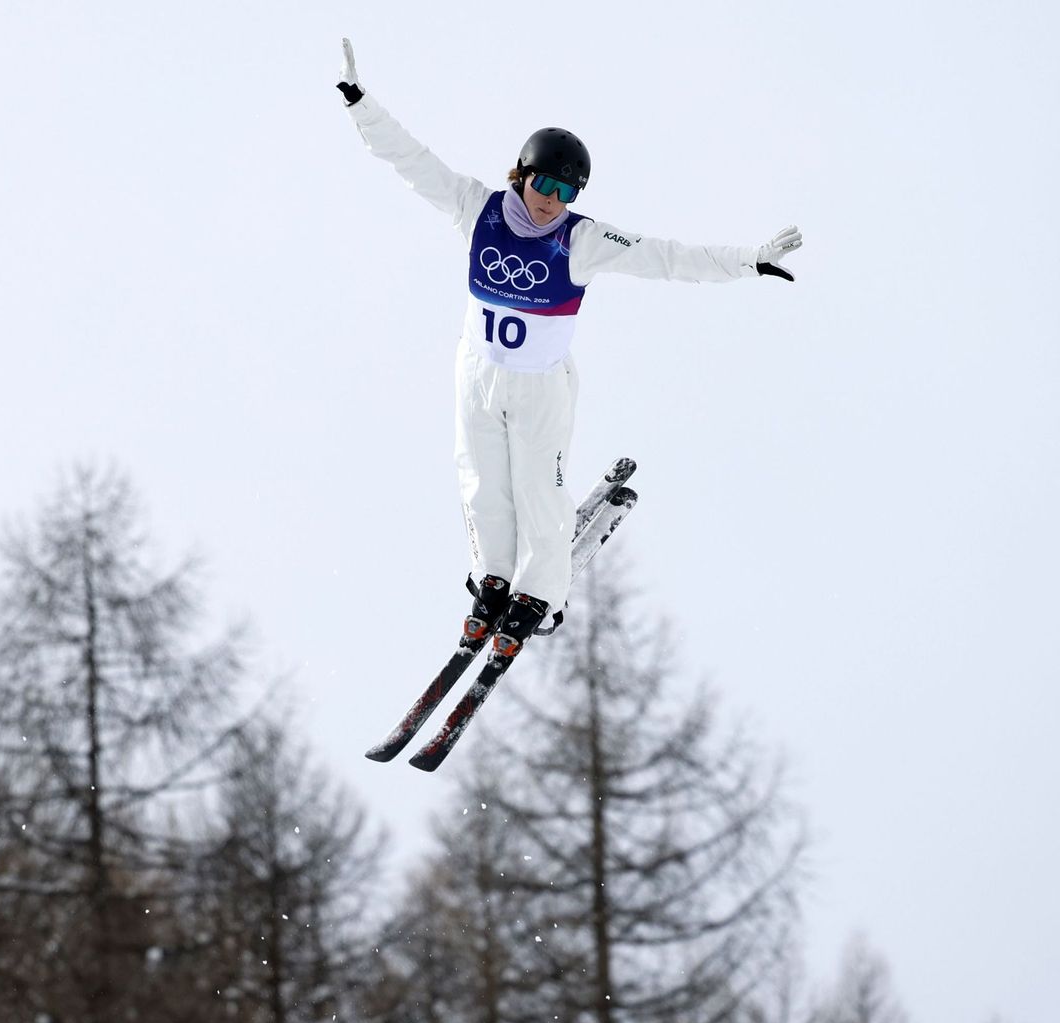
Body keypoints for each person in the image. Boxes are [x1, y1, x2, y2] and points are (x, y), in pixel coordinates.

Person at [335, 38, 802, 654]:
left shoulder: (581, 241)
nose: (553, 199)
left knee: (536, 487)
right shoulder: (477, 210)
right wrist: (361, 105)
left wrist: (749, 261)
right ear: (522, 174)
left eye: (567, 190)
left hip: (539, 385)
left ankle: (540, 594)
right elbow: (413, 161)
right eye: (545, 184)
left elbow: (667, 257)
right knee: (480, 482)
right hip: (476, 371)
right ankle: (493, 580)